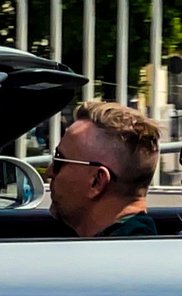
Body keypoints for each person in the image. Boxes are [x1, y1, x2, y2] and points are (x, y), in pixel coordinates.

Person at [45, 98, 163, 238]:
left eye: (60, 160)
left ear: (96, 181)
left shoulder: (119, 256)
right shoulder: (138, 247)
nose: (49, 172)